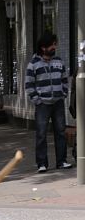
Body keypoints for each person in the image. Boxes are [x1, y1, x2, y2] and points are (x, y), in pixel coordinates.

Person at [25, 31, 72, 173]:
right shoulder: (33, 64)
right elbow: (28, 85)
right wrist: (37, 100)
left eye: (54, 44)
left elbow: (64, 79)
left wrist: (63, 93)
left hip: (58, 102)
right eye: (52, 45)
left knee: (61, 132)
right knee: (41, 134)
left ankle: (61, 161)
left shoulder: (59, 61)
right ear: (43, 47)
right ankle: (41, 163)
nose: (54, 47)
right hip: (42, 104)